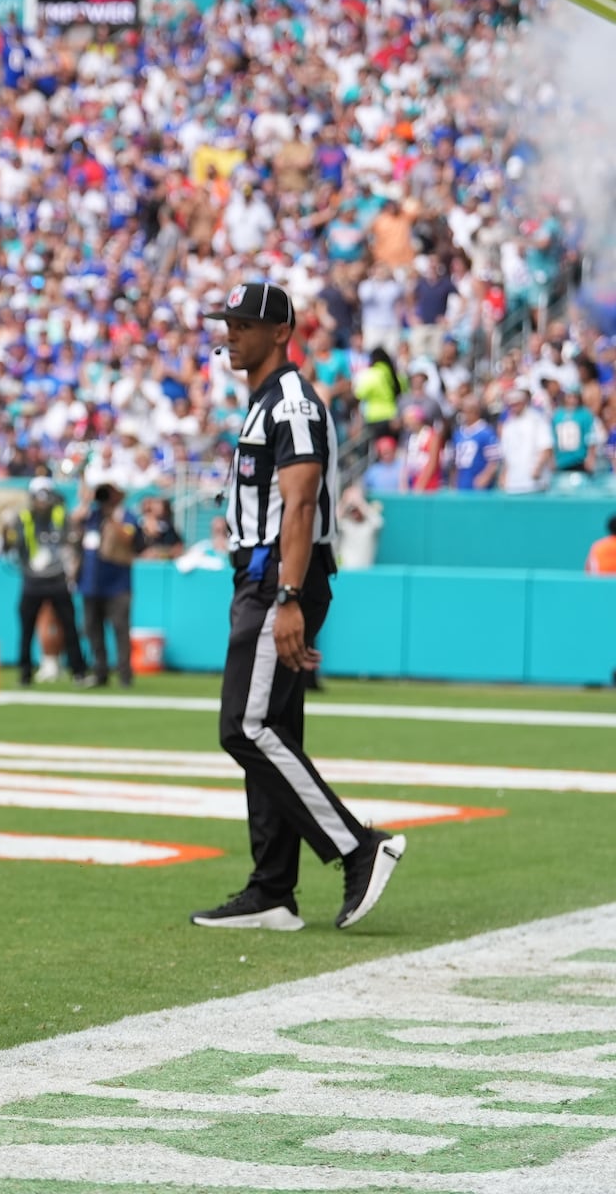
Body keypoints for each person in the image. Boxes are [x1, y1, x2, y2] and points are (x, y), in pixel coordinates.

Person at [194, 281, 404, 933]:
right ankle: (273, 889)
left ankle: (357, 846)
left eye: (244, 323)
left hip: (277, 578)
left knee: (246, 727)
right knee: (271, 728)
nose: (231, 332)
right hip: (269, 577)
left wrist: (287, 596)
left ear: (281, 332)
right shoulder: (266, 401)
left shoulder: (290, 401)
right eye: (227, 321)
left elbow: (303, 499)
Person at [9, 476, 88, 687]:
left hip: (57, 578)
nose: (43, 502)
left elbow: (72, 541)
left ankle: (78, 671)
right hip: (33, 580)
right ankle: (25, 673)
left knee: (69, 627)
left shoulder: (61, 515)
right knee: (27, 629)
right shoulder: (23, 517)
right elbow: (15, 547)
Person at [76, 483, 138, 688]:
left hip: (117, 584)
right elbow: (74, 522)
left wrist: (112, 517)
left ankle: (124, 675)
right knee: (92, 629)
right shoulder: (92, 516)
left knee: (120, 629)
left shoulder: (126, 515)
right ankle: (100, 671)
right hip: (91, 582)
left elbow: (129, 537)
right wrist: (86, 501)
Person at [500, 383, 555, 494]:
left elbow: (546, 448)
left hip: (534, 482)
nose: (513, 407)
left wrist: (537, 469)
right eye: (511, 405)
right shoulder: (508, 425)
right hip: (514, 482)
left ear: (524, 402)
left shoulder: (537, 420)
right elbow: (507, 455)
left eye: (516, 404)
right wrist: (504, 475)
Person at [451, 396, 502, 491]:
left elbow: (494, 460)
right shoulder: (458, 433)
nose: (463, 414)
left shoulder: (486, 432)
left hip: (478, 485)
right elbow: (456, 461)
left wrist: (485, 477)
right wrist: (454, 480)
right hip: (462, 483)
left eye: (466, 411)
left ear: (475, 411)